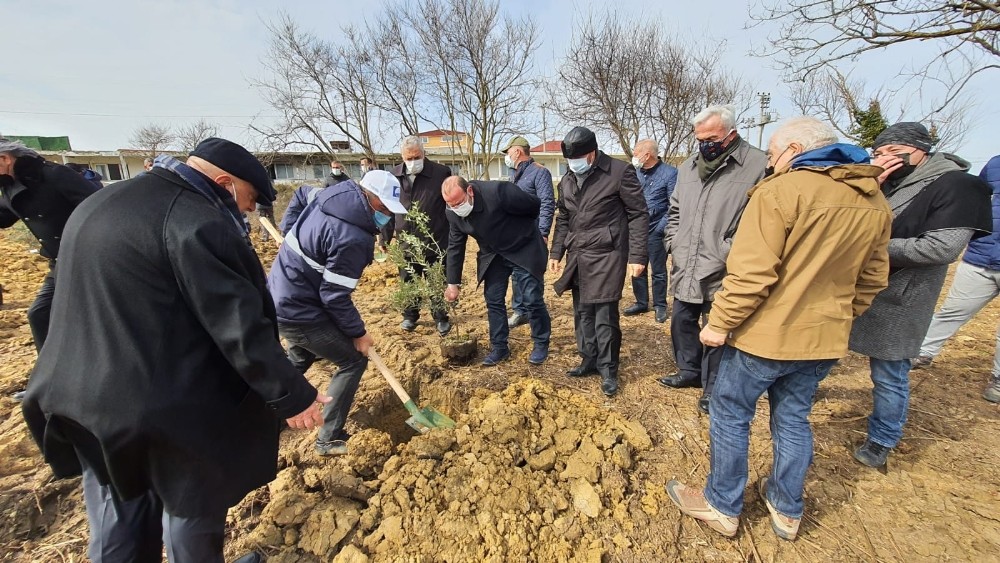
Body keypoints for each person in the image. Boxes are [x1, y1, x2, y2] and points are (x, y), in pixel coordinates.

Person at [21, 138, 329, 562]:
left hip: (80, 400)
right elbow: (238, 327)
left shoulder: (101, 203)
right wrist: (292, 396)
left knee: (119, 518)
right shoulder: (196, 222)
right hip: (161, 408)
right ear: (224, 183)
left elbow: (52, 303)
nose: (247, 211)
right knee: (192, 506)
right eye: (250, 199)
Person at [664, 117, 892, 541]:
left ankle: (722, 504)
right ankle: (787, 507)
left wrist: (719, 324)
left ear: (794, 150)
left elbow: (751, 275)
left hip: (765, 338)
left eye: (772, 154)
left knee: (730, 413)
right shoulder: (873, 200)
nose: (770, 162)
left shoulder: (780, 192)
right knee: (793, 417)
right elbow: (874, 277)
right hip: (823, 339)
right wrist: (839, 315)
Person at [848, 123, 992, 467]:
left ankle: (883, 438)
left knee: (888, 371)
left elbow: (941, 248)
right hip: (855, 287)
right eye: (878, 152)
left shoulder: (959, 186)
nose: (880, 159)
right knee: (823, 352)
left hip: (901, 295)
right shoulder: (884, 183)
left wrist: (870, 247)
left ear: (914, 150)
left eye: (886, 152)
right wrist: (871, 189)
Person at [270, 170, 405, 455]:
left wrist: (290, 232)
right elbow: (334, 296)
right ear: (370, 198)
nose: (387, 218)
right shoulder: (353, 239)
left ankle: (268, 417)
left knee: (300, 353)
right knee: (353, 361)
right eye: (384, 209)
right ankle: (328, 438)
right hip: (301, 309)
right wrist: (358, 333)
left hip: (282, 295)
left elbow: (301, 193)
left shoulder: (332, 194)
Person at [658, 105, 767, 414]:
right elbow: (675, 210)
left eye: (711, 138)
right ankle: (688, 372)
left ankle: (713, 387)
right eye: (699, 138)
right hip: (687, 261)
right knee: (681, 320)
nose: (704, 144)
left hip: (726, 266)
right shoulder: (689, 167)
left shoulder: (757, 165)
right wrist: (674, 241)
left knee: (718, 329)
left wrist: (729, 249)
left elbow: (759, 218)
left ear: (730, 134)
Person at [549, 127, 648, 396]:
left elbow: (638, 214)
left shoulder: (619, 172)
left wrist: (638, 256)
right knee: (582, 312)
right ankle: (589, 359)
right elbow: (564, 217)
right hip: (578, 254)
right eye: (569, 160)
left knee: (604, 314)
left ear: (592, 153)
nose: (573, 164)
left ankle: (608, 369)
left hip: (607, 253)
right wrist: (556, 252)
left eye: (577, 158)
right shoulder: (568, 178)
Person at [0, 139, 100, 399]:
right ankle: (53, 381)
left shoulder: (54, 174)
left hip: (88, 257)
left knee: (92, 318)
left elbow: (99, 205)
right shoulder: (11, 187)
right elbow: (4, 216)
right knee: (40, 314)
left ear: (6, 158)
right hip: (60, 261)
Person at [912, 155, 1000, 403]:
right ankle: (922, 352)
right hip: (981, 257)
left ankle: (999, 378)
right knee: (951, 311)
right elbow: (978, 200)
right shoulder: (995, 164)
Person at [441, 176, 552, 366]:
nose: (456, 208)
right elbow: (455, 246)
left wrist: (526, 231)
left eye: (459, 203)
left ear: (470, 191)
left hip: (523, 247)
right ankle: (500, 347)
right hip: (492, 253)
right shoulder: (452, 212)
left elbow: (533, 206)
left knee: (531, 299)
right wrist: (452, 283)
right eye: (451, 205)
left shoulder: (499, 192)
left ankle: (541, 343)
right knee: (493, 300)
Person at [386, 135, 452, 335]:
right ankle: (410, 316)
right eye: (409, 158)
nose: (413, 162)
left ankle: (441, 317)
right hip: (406, 240)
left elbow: (449, 204)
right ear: (402, 157)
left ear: (424, 154)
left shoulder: (440, 173)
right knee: (409, 280)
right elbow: (387, 209)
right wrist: (385, 237)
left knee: (435, 281)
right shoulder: (394, 176)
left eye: (416, 157)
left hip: (435, 239)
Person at [500, 136, 555, 330]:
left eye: (508, 152)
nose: (507, 157)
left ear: (517, 151)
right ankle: (520, 311)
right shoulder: (515, 175)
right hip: (515, 236)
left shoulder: (540, 173)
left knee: (532, 275)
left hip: (533, 235)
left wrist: (543, 232)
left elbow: (548, 202)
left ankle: (535, 313)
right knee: (516, 274)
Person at [624, 139, 677, 323]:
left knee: (658, 270)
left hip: (657, 230)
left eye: (636, 153)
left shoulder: (670, 174)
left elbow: (673, 206)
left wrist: (660, 229)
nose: (634, 157)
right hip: (636, 230)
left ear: (647, 155)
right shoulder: (634, 173)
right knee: (637, 267)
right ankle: (641, 302)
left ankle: (660, 306)